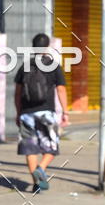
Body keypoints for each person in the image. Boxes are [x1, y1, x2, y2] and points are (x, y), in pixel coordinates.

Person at [14, 33, 69, 191]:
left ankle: (36, 184)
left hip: (27, 113)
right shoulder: (54, 66)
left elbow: (17, 93)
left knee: (30, 148)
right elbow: (61, 90)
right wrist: (65, 112)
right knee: (51, 145)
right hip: (46, 112)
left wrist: (18, 113)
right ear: (47, 47)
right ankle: (41, 168)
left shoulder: (25, 66)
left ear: (33, 46)